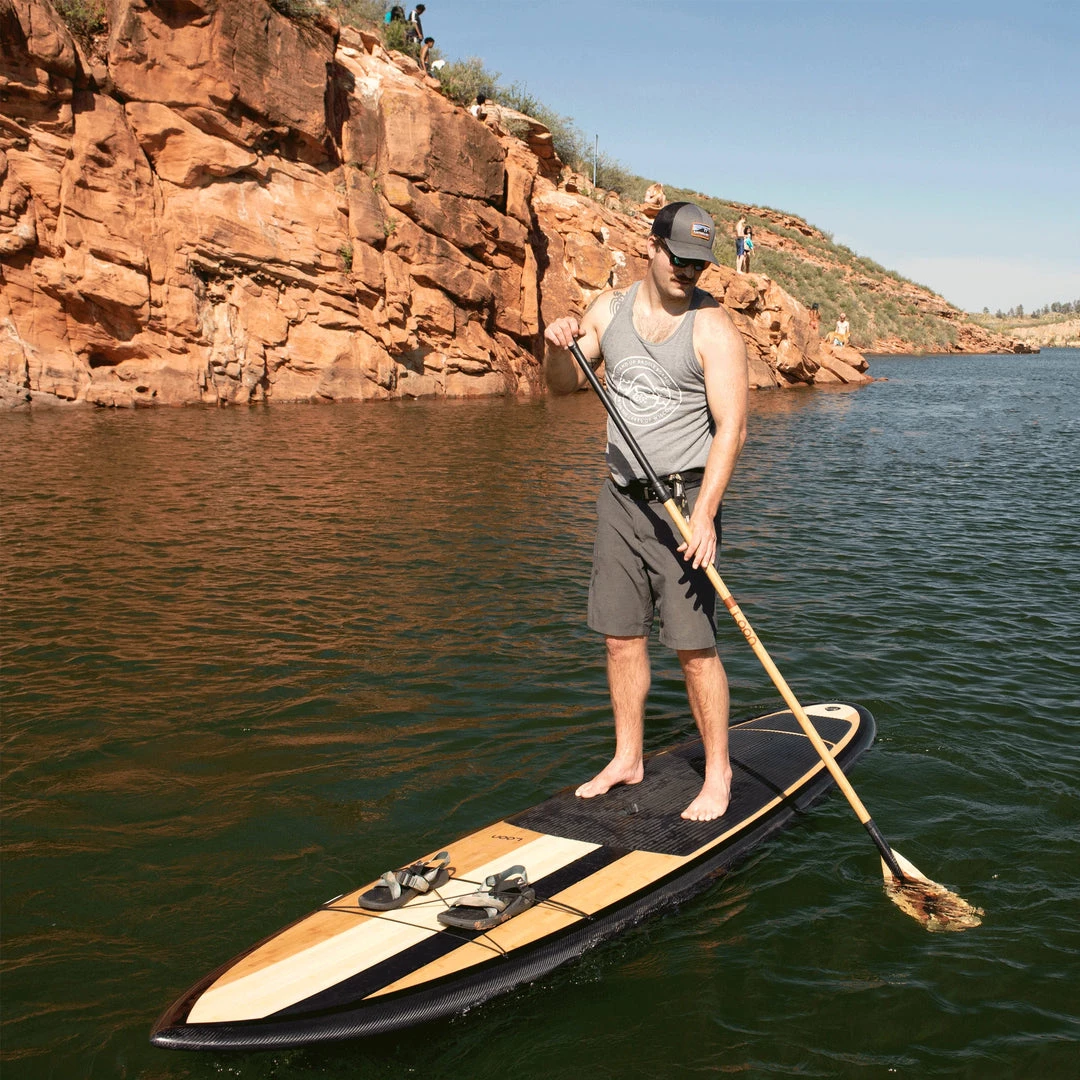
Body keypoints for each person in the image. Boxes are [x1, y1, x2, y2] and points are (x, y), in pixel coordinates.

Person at [543, 202, 749, 822]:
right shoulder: (608, 311)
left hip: (684, 504)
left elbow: (732, 429)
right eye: (679, 257)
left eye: (699, 264)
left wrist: (706, 514)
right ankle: (628, 757)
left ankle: (718, 772)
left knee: (693, 647)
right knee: (619, 639)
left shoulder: (713, 329)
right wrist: (557, 345)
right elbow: (562, 386)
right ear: (652, 247)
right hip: (620, 498)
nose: (689, 271)